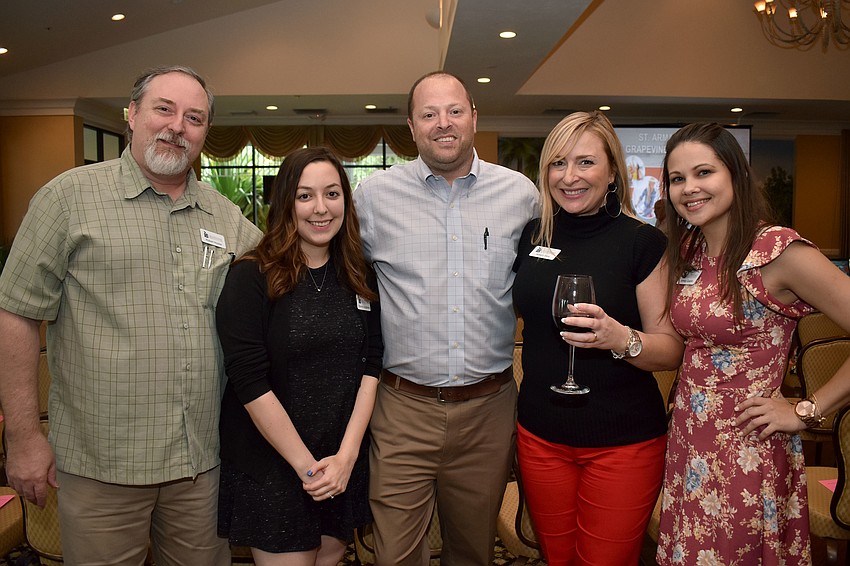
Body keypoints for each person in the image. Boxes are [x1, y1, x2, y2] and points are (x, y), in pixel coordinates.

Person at [0, 65, 262, 565]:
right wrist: (24, 435)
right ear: (132, 114)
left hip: (200, 467)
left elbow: (280, 287)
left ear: (205, 132)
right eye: (164, 109)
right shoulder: (67, 199)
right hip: (102, 468)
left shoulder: (225, 217)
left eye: (194, 117)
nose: (176, 126)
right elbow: (15, 313)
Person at [353, 71, 539, 566]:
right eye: (428, 114)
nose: (443, 124)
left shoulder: (521, 196)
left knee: (473, 551)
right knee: (394, 554)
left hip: (489, 409)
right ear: (410, 127)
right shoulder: (372, 198)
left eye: (454, 111)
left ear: (474, 117)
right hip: (402, 409)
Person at [655, 122, 850, 565]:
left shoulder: (777, 251)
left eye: (704, 173)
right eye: (677, 178)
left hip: (749, 447)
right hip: (690, 442)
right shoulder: (691, 249)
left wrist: (807, 409)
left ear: (737, 175)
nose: (689, 189)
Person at [512, 111, 684, 565]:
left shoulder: (643, 243)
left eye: (585, 162)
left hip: (622, 444)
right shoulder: (534, 236)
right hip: (540, 436)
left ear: (612, 172)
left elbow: (670, 349)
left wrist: (619, 337)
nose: (569, 177)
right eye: (558, 163)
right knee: (557, 558)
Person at [215, 147, 382, 565]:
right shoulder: (251, 275)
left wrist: (345, 458)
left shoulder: (359, 273)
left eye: (332, 194)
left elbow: (372, 363)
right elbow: (248, 380)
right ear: (286, 203)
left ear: (346, 199)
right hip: (274, 464)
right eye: (305, 196)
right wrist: (307, 468)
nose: (320, 208)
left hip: (339, 460)